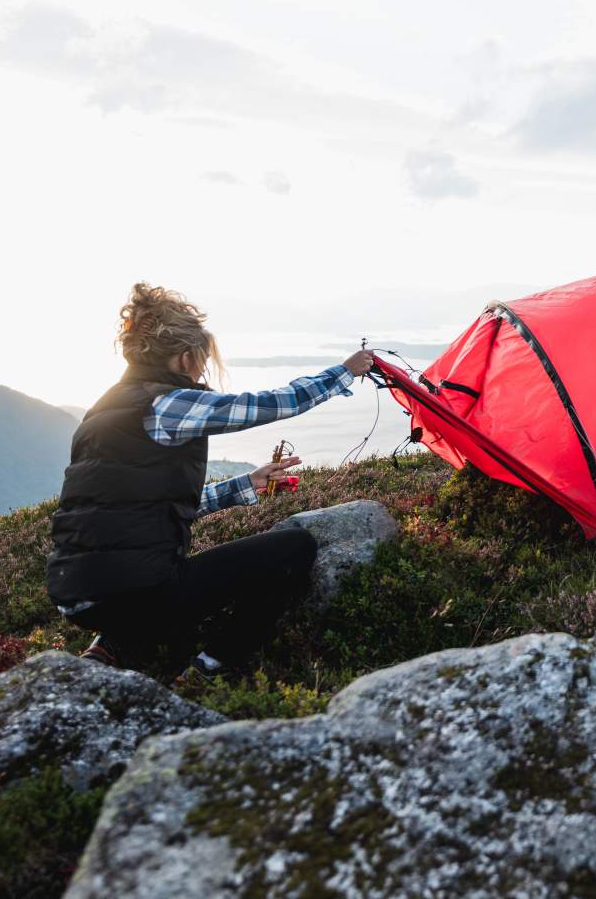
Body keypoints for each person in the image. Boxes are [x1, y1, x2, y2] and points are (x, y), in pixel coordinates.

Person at [46, 282, 378, 685]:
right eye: (201, 360)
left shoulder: (105, 409)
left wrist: (244, 484)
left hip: (76, 598)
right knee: (294, 547)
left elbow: (145, 507)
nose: (202, 370)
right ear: (185, 356)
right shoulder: (166, 403)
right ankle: (211, 665)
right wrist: (344, 371)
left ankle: (114, 644)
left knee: (144, 567)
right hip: (134, 597)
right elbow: (272, 404)